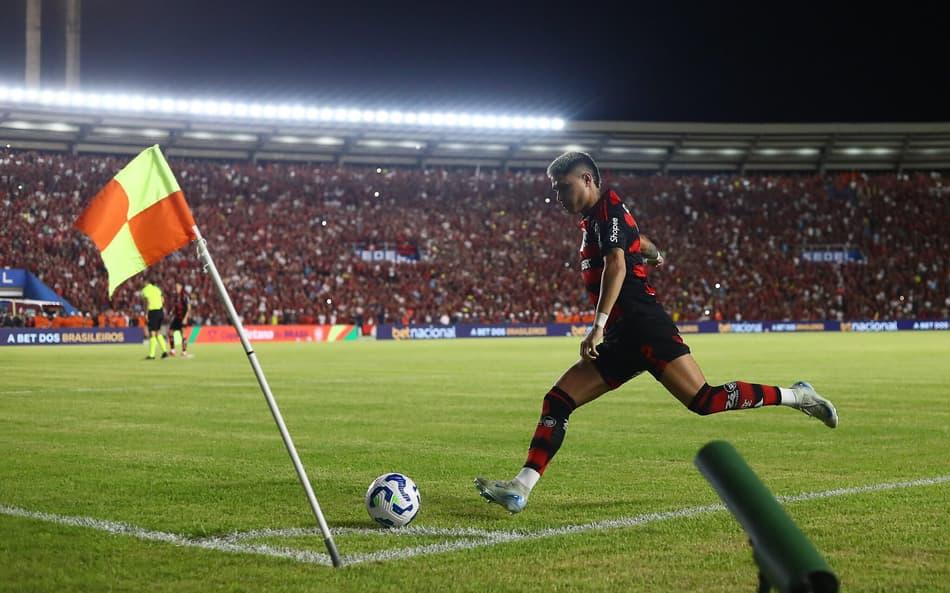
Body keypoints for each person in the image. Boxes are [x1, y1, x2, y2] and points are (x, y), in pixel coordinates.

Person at [474, 152, 838, 514]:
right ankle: (520, 488)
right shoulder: (597, 220)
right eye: (554, 190)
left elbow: (616, 264)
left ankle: (798, 396)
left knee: (704, 400)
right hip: (622, 337)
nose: (557, 197)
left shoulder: (608, 211)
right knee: (558, 400)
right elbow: (636, 240)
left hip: (645, 327)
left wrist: (596, 327)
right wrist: (653, 251)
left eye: (563, 187)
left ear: (587, 181)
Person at [141, 276, 169, 360]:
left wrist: (146, 313)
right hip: (160, 311)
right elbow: (163, 300)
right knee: (157, 332)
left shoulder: (145, 290)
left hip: (153, 312)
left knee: (152, 333)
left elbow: (147, 302)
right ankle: (165, 352)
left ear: (146, 283)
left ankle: (152, 355)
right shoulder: (157, 289)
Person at [167, 282, 192, 358]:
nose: (176, 288)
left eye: (177, 286)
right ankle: (173, 351)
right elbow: (175, 307)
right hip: (176, 318)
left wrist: (185, 318)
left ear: (181, 287)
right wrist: (171, 312)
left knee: (183, 334)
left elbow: (189, 308)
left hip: (182, 318)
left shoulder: (184, 296)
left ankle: (184, 352)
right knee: (170, 332)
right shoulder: (176, 296)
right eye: (176, 286)